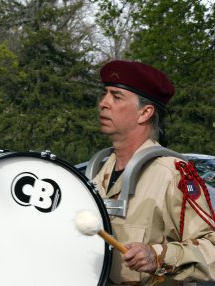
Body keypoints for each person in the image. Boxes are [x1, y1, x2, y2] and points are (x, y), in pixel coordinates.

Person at [92, 60, 215, 285]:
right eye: (105, 94)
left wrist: (158, 255)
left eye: (116, 96)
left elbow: (212, 249)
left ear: (145, 112)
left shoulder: (173, 174)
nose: (103, 103)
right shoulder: (99, 171)